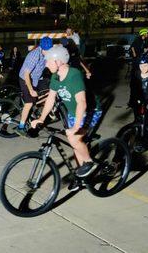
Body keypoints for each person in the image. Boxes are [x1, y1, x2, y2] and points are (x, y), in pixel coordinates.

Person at [28, 45, 102, 190]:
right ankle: (81, 178)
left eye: (48, 61)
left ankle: (89, 163)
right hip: (73, 112)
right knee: (75, 144)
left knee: (74, 138)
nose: (46, 63)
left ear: (58, 62)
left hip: (90, 110)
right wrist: (41, 118)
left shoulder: (74, 75)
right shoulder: (55, 76)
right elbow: (50, 98)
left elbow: (82, 103)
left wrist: (76, 126)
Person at [14, 37, 53, 136]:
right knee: (30, 103)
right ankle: (20, 127)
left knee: (48, 91)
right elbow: (26, 74)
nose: (48, 52)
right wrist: (31, 90)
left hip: (36, 79)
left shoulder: (47, 54)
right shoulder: (35, 55)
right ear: (41, 47)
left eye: (49, 50)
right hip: (25, 79)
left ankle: (33, 108)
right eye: (46, 50)